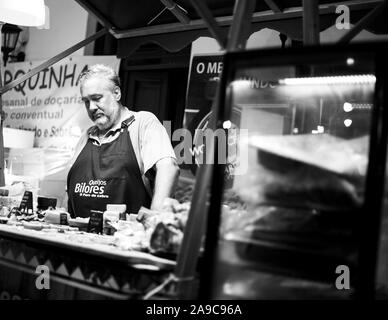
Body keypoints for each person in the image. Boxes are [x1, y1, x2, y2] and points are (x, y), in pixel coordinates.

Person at [66, 64, 179, 218]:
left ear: (117, 93)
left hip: (126, 239)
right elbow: (70, 191)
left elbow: (168, 168)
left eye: (97, 98)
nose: (91, 107)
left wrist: (154, 221)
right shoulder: (85, 138)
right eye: (86, 101)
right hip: (77, 238)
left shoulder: (143, 123)